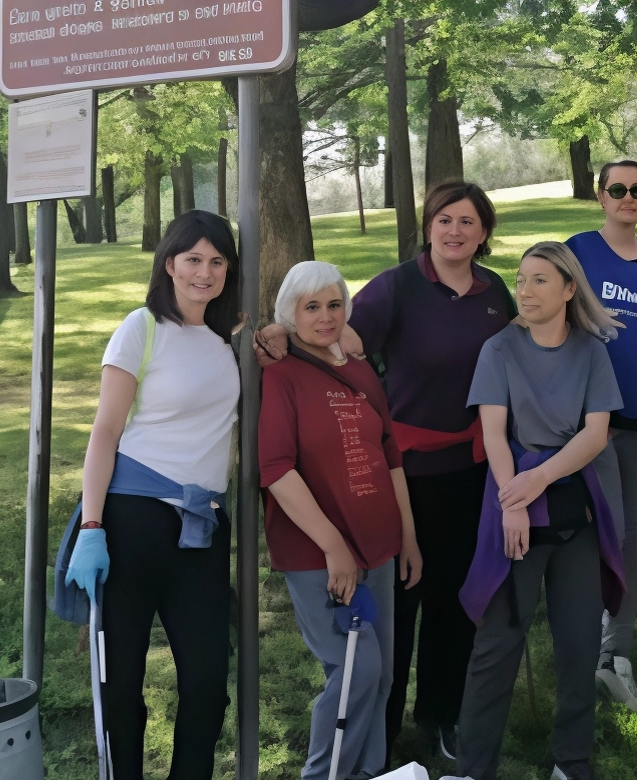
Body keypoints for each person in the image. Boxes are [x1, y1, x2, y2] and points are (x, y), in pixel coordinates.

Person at [257, 182, 516, 761]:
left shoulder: (494, 291)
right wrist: (283, 334)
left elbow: (518, 351)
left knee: (455, 601)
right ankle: (381, 724)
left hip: (470, 469)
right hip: (403, 474)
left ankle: (440, 716)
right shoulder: (398, 285)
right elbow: (338, 339)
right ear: (428, 226)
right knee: (400, 602)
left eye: (468, 221)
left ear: (483, 232)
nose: (455, 231)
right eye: (445, 219)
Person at [66, 210, 241, 780]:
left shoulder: (224, 338)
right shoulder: (141, 328)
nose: (204, 272)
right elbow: (105, 432)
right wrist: (92, 529)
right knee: (122, 684)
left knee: (209, 682)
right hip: (132, 522)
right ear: (169, 263)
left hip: (201, 529)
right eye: (193, 258)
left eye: (217, 261)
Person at [454, 241, 627, 780]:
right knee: (498, 644)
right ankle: (473, 768)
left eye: (539, 281)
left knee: (578, 648)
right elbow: (494, 434)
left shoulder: (592, 351)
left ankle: (571, 764)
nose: (524, 291)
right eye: (521, 279)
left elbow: (595, 434)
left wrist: (540, 480)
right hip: (512, 508)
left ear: (569, 289)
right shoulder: (499, 348)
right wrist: (514, 502)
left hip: (573, 509)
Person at [259, 261, 423, 779]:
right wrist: (333, 546)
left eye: (334, 304)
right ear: (290, 314)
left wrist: (409, 539)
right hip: (321, 554)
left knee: (383, 674)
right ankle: (324, 774)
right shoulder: (280, 376)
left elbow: (389, 451)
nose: (325, 317)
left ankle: (369, 773)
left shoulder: (358, 367)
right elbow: (275, 469)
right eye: (312, 307)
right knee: (356, 669)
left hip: (379, 544)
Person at [564, 160, 637, 712]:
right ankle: (582, 644)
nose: (628, 197)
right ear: (600, 196)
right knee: (586, 529)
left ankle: (615, 653)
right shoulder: (577, 251)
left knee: (628, 532)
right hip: (585, 417)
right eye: (617, 189)